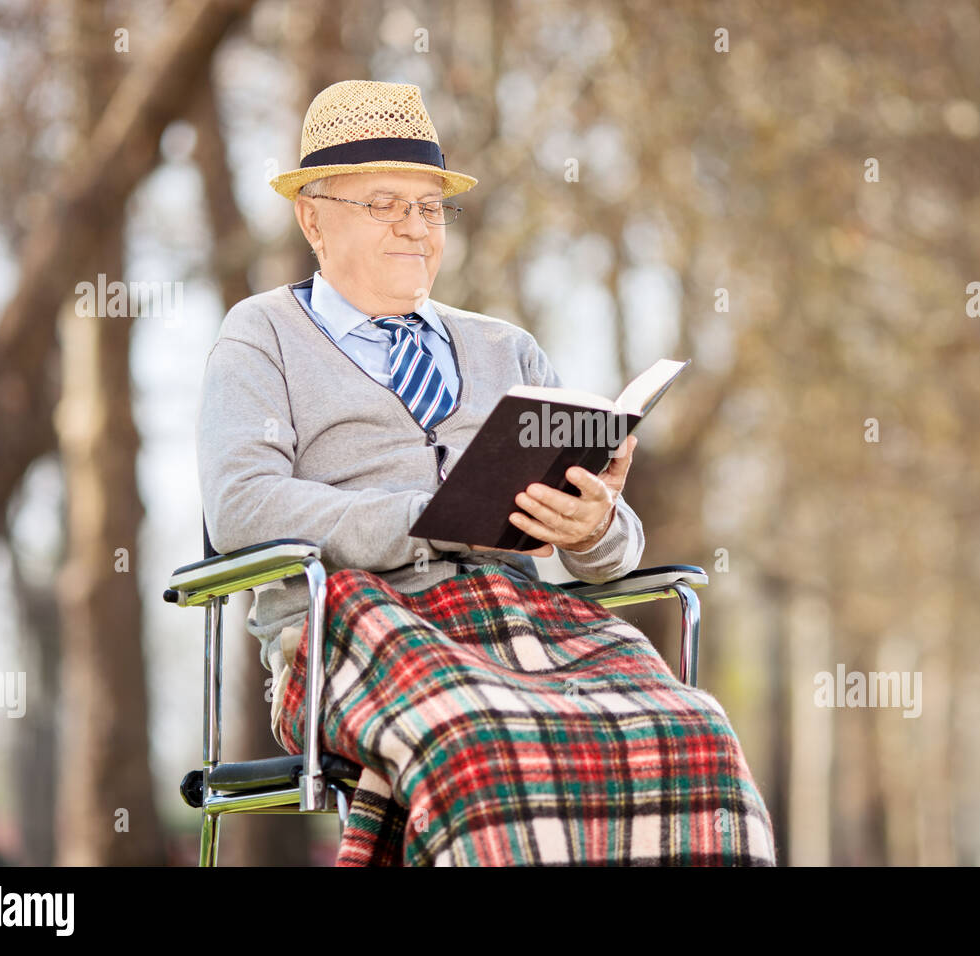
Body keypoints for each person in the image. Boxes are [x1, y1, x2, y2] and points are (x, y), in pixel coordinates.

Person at [196, 80, 775, 865]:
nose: (415, 227)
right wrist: (425, 513)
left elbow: (609, 552)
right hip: (354, 624)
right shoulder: (261, 334)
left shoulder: (508, 348)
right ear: (313, 218)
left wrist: (597, 524)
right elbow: (240, 506)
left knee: (695, 735)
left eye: (430, 207)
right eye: (384, 204)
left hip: (527, 618)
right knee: (481, 744)